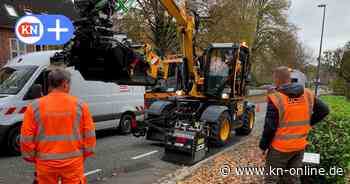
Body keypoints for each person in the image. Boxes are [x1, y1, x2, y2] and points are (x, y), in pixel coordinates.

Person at [20, 68, 96, 184]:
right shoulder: (80, 106)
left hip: (46, 165)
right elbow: (90, 136)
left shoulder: (34, 107)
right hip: (73, 164)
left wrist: (33, 158)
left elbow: (26, 139)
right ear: (65, 84)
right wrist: (83, 156)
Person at [259, 66, 329, 184]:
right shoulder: (307, 93)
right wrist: (308, 123)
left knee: (271, 179)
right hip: (299, 146)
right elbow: (324, 110)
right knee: (292, 178)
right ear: (290, 78)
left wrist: (263, 146)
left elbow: (270, 127)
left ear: (276, 79)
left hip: (280, 148)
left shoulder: (276, 97)